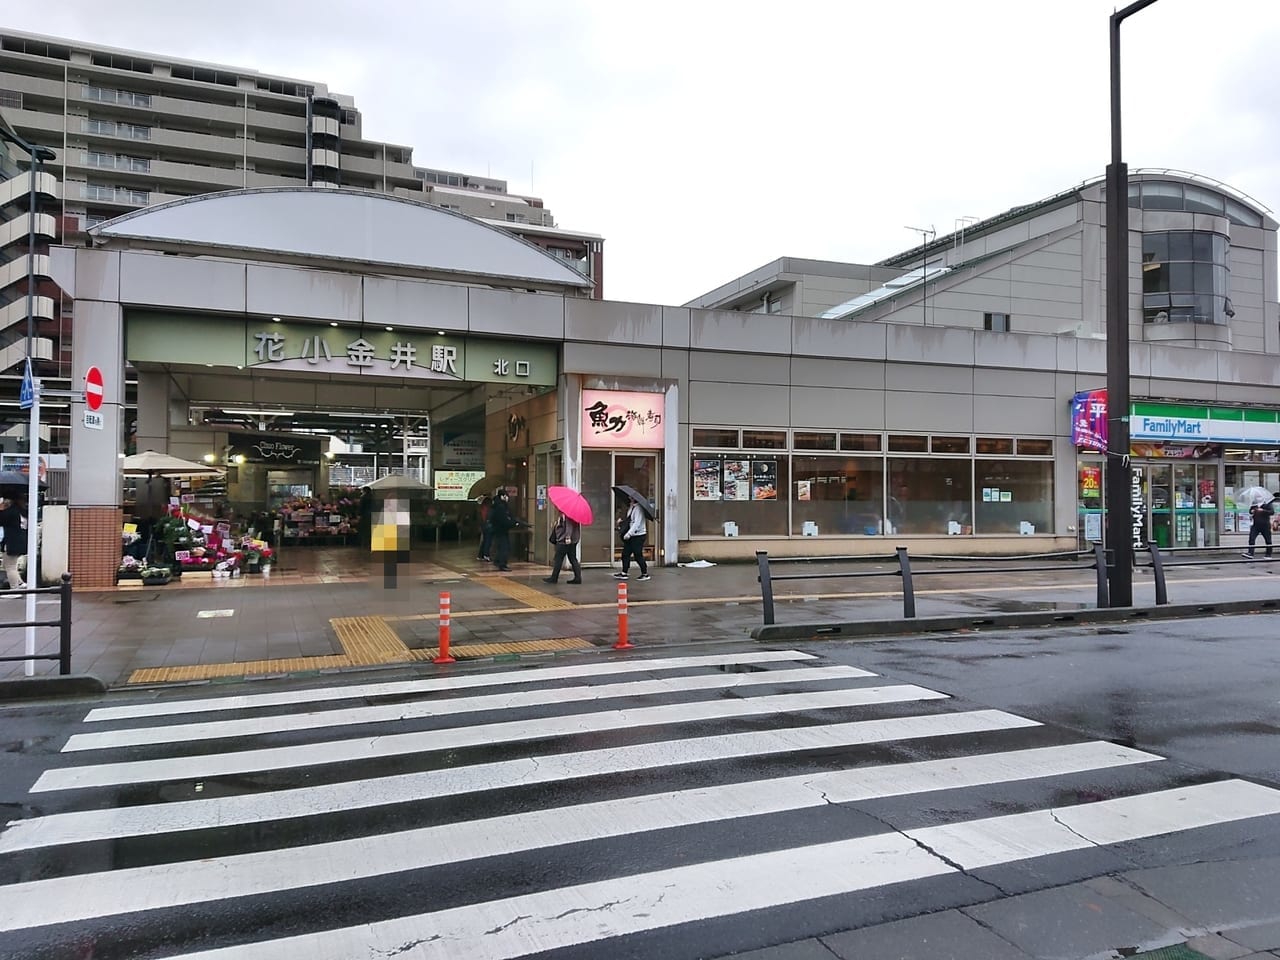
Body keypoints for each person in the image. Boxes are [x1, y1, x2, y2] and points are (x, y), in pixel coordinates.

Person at [614, 496, 650, 581]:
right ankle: (624, 573)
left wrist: (629, 533)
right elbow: (630, 520)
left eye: (631, 498)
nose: (630, 498)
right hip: (632, 535)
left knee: (638, 555)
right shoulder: (632, 507)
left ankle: (645, 573)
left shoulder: (638, 509)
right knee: (625, 554)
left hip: (638, 535)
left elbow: (636, 523)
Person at [542, 510, 582, 584]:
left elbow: (569, 527)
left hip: (564, 541)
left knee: (558, 559)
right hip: (573, 540)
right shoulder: (575, 515)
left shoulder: (568, 515)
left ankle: (554, 578)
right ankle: (578, 578)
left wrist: (567, 537)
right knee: (572, 558)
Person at [0, 495, 28, 590]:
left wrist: (1, 509)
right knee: (10, 565)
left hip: (11, 542)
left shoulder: (11, 512)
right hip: (19, 541)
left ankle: (14, 589)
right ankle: (20, 583)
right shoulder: (21, 511)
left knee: (10, 566)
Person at [488, 488, 515, 572]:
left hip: (499, 530)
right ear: (502, 496)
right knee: (504, 547)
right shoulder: (500, 506)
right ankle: (502, 564)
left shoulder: (498, 504)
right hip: (501, 530)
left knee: (501, 546)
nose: (507, 498)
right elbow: (503, 519)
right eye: (506, 496)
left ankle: (498, 561)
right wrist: (512, 523)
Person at [476, 495, 492, 561]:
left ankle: (480, 555)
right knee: (488, 540)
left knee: (484, 540)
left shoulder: (481, 507)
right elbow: (487, 517)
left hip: (483, 525)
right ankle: (486, 555)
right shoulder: (487, 508)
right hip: (487, 525)